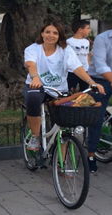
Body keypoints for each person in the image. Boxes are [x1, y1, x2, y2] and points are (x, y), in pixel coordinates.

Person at [23, 20, 104, 152]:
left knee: (65, 125)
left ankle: (64, 165)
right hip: (37, 86)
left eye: (55, 33)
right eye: (47, 32)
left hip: (58, 89)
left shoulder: (66, 50)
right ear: (42, 34)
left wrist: (91, 82)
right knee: (33, 98)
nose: (51, 35)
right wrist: (35, 78)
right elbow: (31, 64)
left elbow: (77, 68)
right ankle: (35, 136)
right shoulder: (33, 49)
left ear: (59, 36)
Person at [87, 29, 112, 173]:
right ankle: (91, 155)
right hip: (100, 80)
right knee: (96, 118)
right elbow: (100, 64)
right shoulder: (102, 38)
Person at [66, 20, 92, 92]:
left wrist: (88, 69)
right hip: (72, 71)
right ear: (80, 30)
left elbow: (87, 55)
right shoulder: (69, 41)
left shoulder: (86, 42)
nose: (89, 30)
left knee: (85, 91)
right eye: (88, 28)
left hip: (85, 71)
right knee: (69, 91)